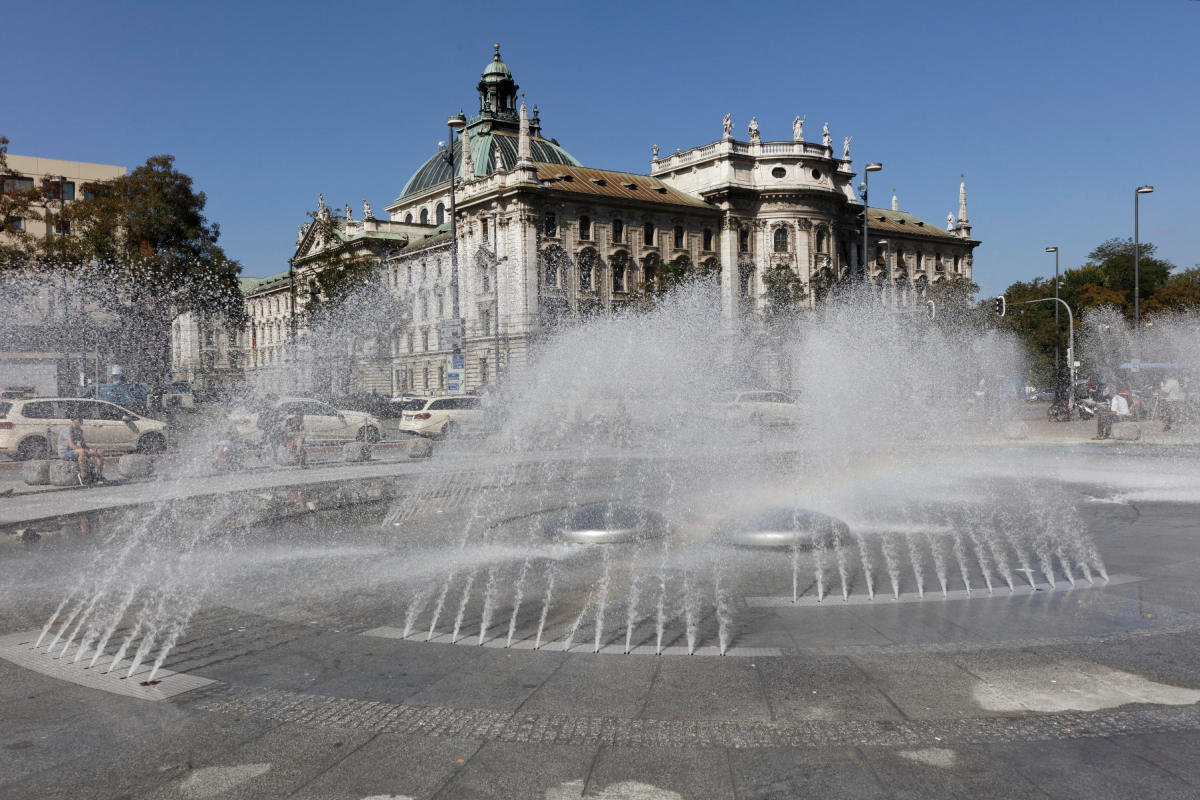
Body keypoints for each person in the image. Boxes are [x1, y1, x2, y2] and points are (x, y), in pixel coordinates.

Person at [57, 415, 104, 484]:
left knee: (100, 452)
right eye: (79, 420)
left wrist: (90, 450)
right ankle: (83, 476)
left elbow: (83, 444)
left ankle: (98, 476)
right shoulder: (67, 430)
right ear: (73, 420)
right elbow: (72, 446)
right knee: (81, 452)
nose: (80, 421)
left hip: (75, 451)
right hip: (65, 453)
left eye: (81, 420)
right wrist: (85, 450)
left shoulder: (79, 430)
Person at [256, 394, 285, 462]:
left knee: (267, 443)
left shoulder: (264, 408)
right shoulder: (273, 408)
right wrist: (279, 419)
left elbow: (260, 420)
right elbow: (276, 418)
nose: (276, 402)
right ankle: (273, 458)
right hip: (272, 429)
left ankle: (263, 455)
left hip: (269, 429)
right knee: (273, 444)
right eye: (275, 400)